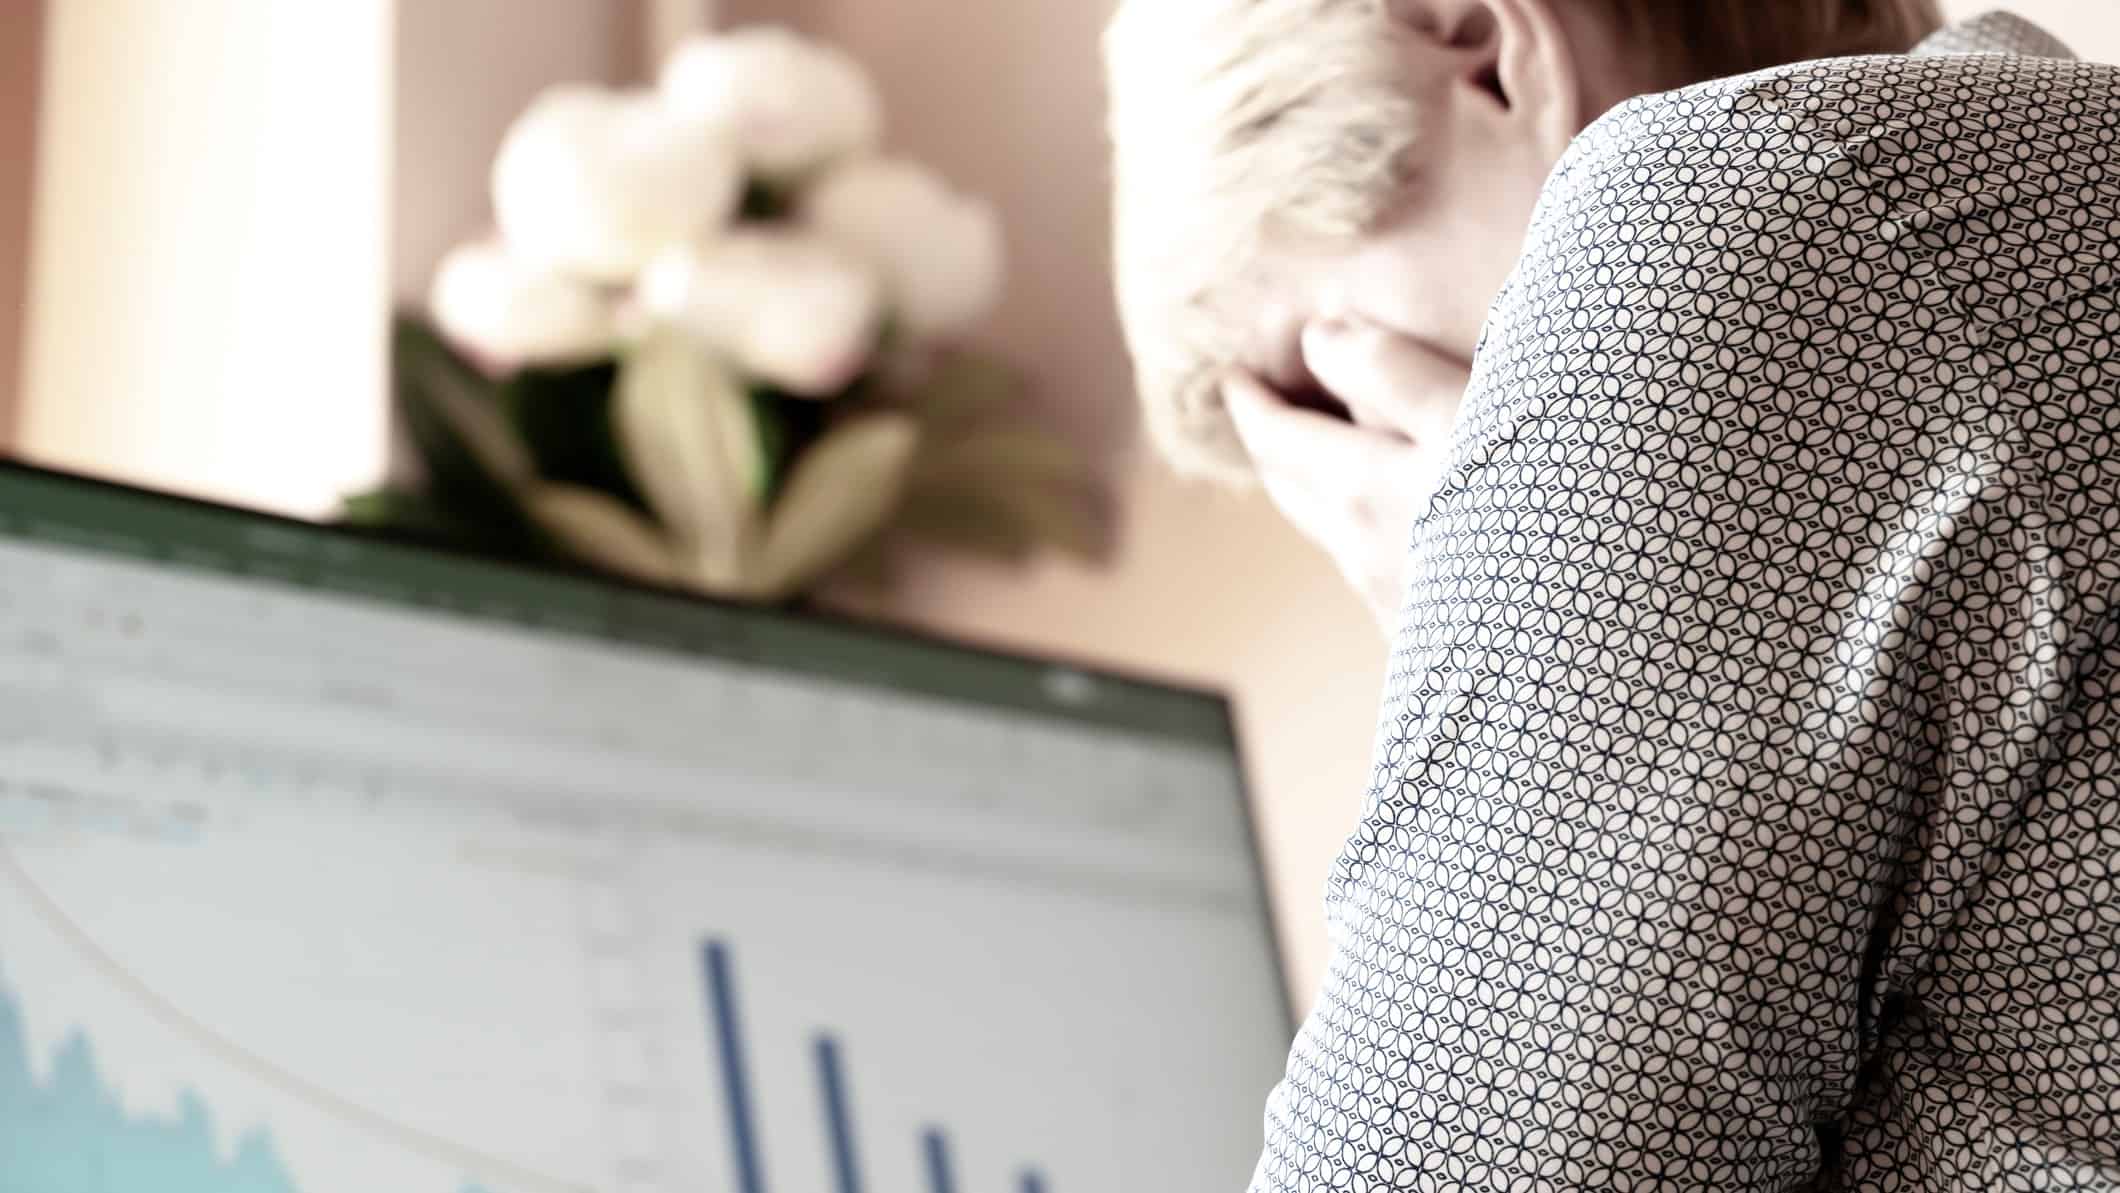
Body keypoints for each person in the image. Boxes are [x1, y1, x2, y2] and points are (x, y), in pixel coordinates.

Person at [1106, 0, 2120, 1188]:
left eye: (1329, 388)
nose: (1340, 488)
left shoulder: (1737, 217)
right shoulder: (2008, 185)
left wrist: (1523, 589)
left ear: (1488, 55)